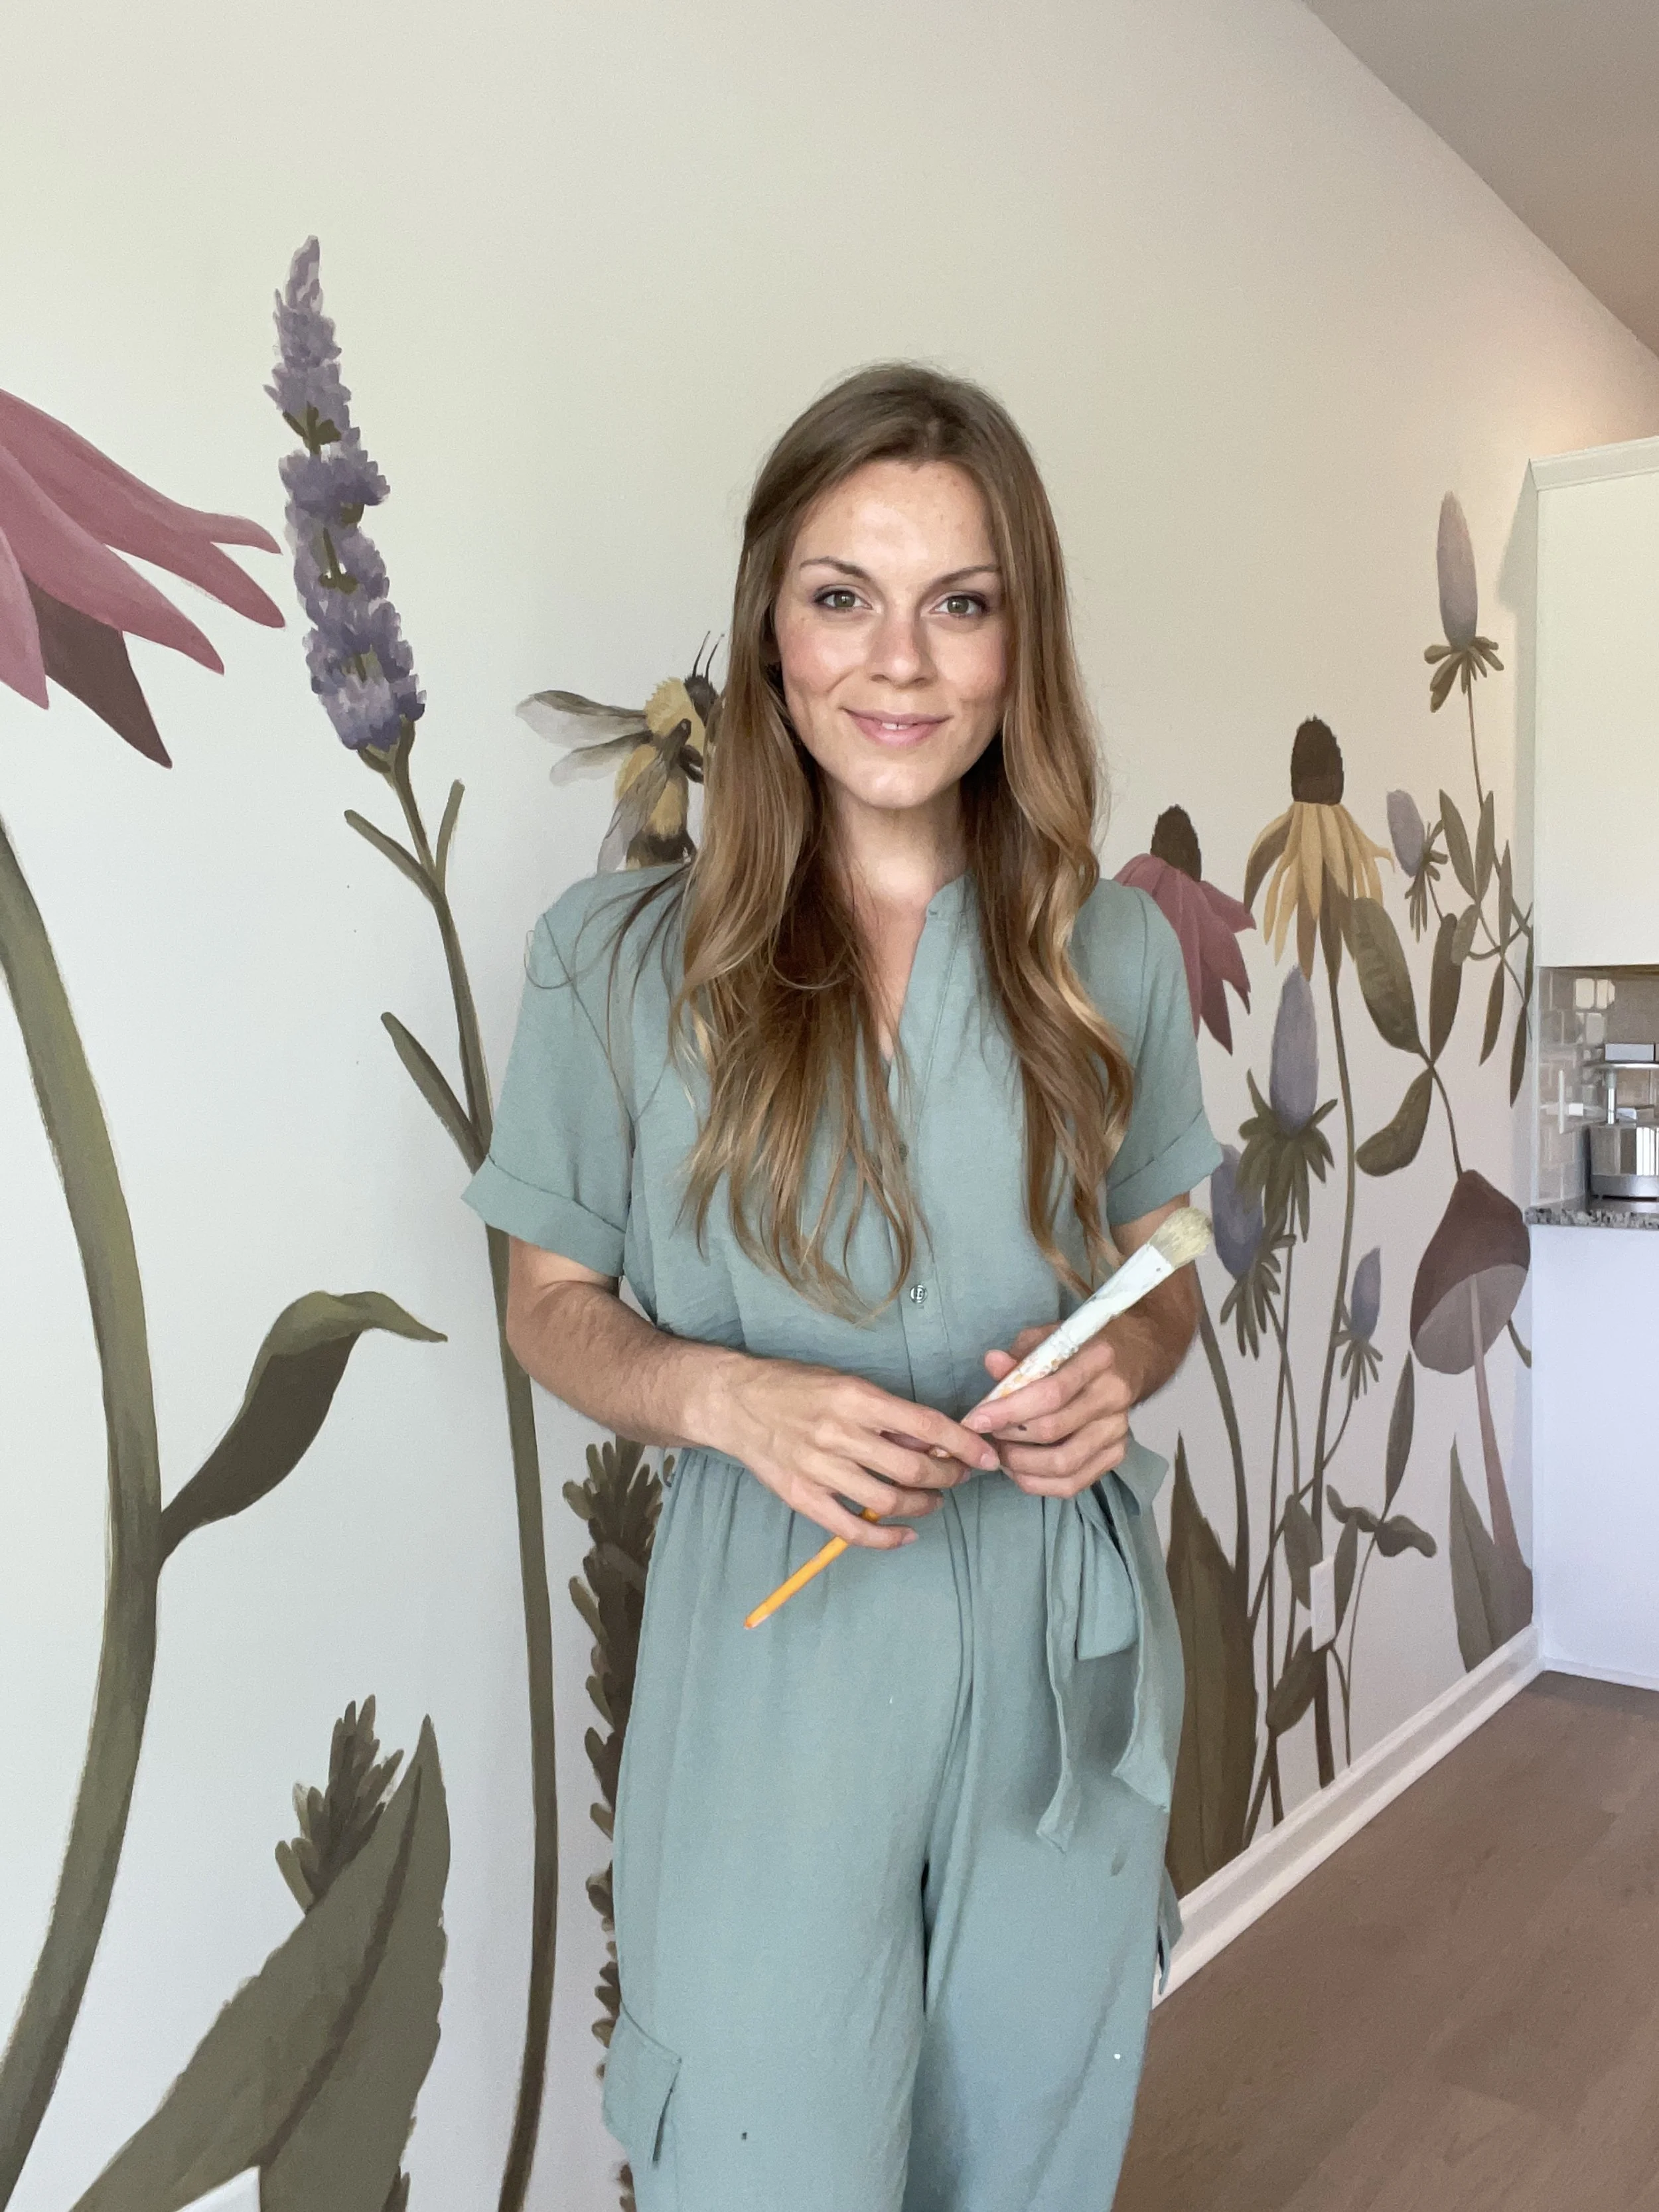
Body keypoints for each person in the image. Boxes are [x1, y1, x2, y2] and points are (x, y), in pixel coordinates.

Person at [463, 363, 1220, 2212]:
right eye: (840, 596)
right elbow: (546, 1298)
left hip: (1058, 1625)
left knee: (1025, 2145)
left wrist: (1115, 1364)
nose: (897, 661)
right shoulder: (614, 959)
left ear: (1014, 644)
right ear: (768, 624)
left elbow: (1167, 1269)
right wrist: (731, 1394)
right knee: (761, 2143)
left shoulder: (1107, 942)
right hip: (777, 1639)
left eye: (957, 602)